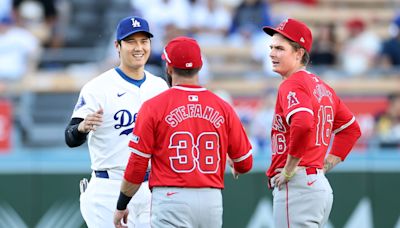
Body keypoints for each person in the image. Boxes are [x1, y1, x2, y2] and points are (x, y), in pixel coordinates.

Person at [113, 36, 253, 228]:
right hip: (211, 198)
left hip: (172, 197)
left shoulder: (154, 106)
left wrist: (122, 204)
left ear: (169, 68)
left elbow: (137, 165)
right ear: (200, 66)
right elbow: (245, 163)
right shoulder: (223, 106)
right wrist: (236, 165)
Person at [64, 16, 169, 227]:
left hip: (151, 188)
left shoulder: (159, 86)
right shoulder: (98, 87)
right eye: (131, 41)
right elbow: (70, 137)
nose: (138, 47)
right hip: (109, 187)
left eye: (144, 41)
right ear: (117, 46)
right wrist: (82, 128)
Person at [262, 18, 362, 227]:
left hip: (298, 185)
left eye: (280, 48)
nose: (272, 53)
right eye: (271, 47)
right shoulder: (323, 87)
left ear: (299, 53)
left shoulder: (292, 83)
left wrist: (289, 169)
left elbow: (303, 123)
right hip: (316, 184)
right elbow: (351, 130)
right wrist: (325, 165)